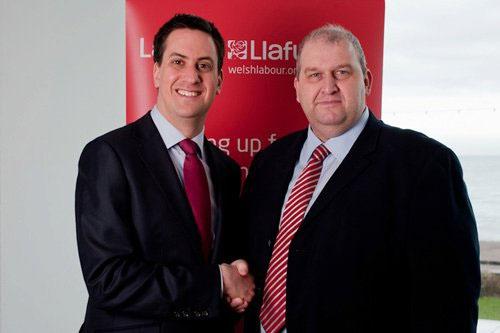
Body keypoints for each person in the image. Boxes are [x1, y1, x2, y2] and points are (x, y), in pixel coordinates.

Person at [241, 24, 480, 333]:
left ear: (366, 81)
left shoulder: (424, 164)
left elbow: (449, 303)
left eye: (341, 72)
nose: (328, 86)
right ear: (298, 87)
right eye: (314, 75)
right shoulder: (269, 163)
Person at [76, 14, 254, 333]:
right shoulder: (109, 155)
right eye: (178, 62)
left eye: (204, 65)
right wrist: (216, 282)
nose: (191, 76)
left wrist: (236, 280)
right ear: (156, 72)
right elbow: (108, 280)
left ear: (220, 80)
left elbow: (222, 267)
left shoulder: (226, 171)